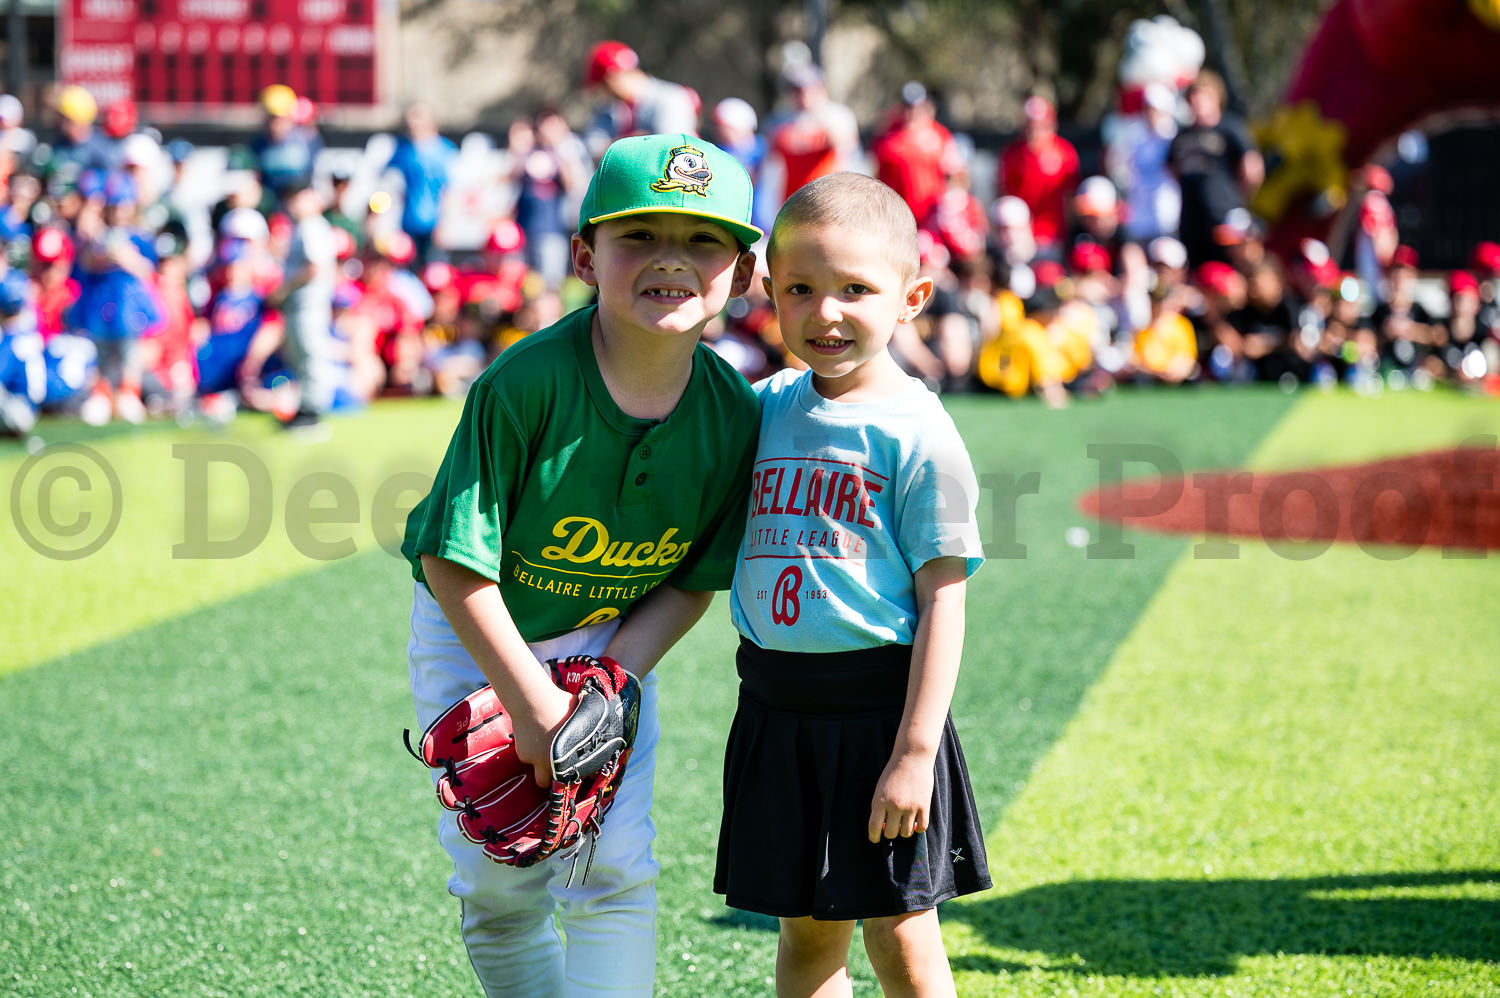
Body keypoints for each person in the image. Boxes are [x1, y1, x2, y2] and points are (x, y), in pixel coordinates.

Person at [400, 132, 762, 998]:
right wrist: (532, 704)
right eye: (638, 234)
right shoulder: (523, 385)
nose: (670, 260)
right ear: (583, 256)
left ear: (744, 275)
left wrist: (604, 684)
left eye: (704, 239)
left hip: (613, 641)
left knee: (616, 870)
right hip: (481, 638)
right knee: (500, 885)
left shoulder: (733, 413)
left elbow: (693, 580)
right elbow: (452, 566)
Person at [715, 172, 989, 997]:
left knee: (900, 933)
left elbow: (945, 598)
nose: (825, 312)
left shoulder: (919, 433)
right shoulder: (762, 405)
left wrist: (914, 753)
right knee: (803, 932)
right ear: (768, 293)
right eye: (800, 288)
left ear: (911, 298)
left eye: (855, 290)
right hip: (772, 707)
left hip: (878, 715)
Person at [1166, 70, 1262, 266]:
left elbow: (1252, 167)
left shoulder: (1230, 128)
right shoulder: (1182, 135)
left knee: (1228, 267)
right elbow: (1172, 168)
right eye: (1193, 97)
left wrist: (1236, 197)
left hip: (1223, 215)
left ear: (1215, 97)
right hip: (1191, 218)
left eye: (1202, 96)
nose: (1197, 102)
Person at [267, 180, 337, 432]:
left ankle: (312, 413)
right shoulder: (302, 227)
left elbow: (313, 267)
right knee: (301, 358)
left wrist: (282, 290)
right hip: (301, 305)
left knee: (311, 356)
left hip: (309, 304)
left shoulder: (311, 226)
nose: (293, 203)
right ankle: (304, 409)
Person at [581, 41, 700, 155]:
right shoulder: (609, 108)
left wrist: (619, 145)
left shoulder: (671, 98)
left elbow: (674, 151)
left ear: (611, 79)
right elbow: (594, 147)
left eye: (601, 87)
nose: (601, 94)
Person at [997, 95, 1078, 252]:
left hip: (1054, 235)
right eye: (1030, 126)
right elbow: (1004, 193)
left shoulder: (1064, 153)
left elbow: (1070, 197)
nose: (1034, 131)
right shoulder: (1012, 154)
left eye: (1041, 126)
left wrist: (1067, 232)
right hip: (1019, 235)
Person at [385, 102, 458, 267]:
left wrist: (445, 224)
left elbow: (450, 192)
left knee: (434, 272)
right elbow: (390, 185)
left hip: (434, 225)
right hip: (407, 224)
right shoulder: (402, 150)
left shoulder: (445, 151)